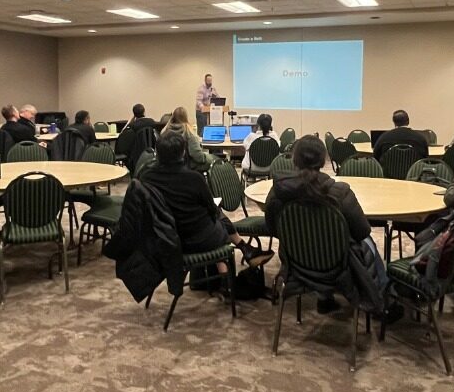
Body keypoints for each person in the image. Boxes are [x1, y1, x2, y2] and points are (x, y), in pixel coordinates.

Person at [265, 134, 396, 317]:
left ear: (294, 160)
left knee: (312, 239)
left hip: (297, 266)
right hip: (339, 269)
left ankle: (324, 297)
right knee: (367, 241)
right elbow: (361, 231)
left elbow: (273, 229)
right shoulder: (340, 192)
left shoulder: (278, 192)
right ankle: (384, 301)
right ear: (322, 161)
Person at [143, 129, 272, 267]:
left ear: (157, 154)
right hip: (199, 240)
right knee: (217, 216)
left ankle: (243, 253)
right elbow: (211, 209)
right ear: (183, 153)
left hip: (166, 240)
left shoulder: (146, 178)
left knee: (215, 217)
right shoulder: (193, 178)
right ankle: (238, 257)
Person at [162, 106, 215, 172]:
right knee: (214, 159)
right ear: (186, 117)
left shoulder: (164, 132)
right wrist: (209, 157)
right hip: (187, 167)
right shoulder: (189, 132)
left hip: (166, 167)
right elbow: (197, 156)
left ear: (172, 117)